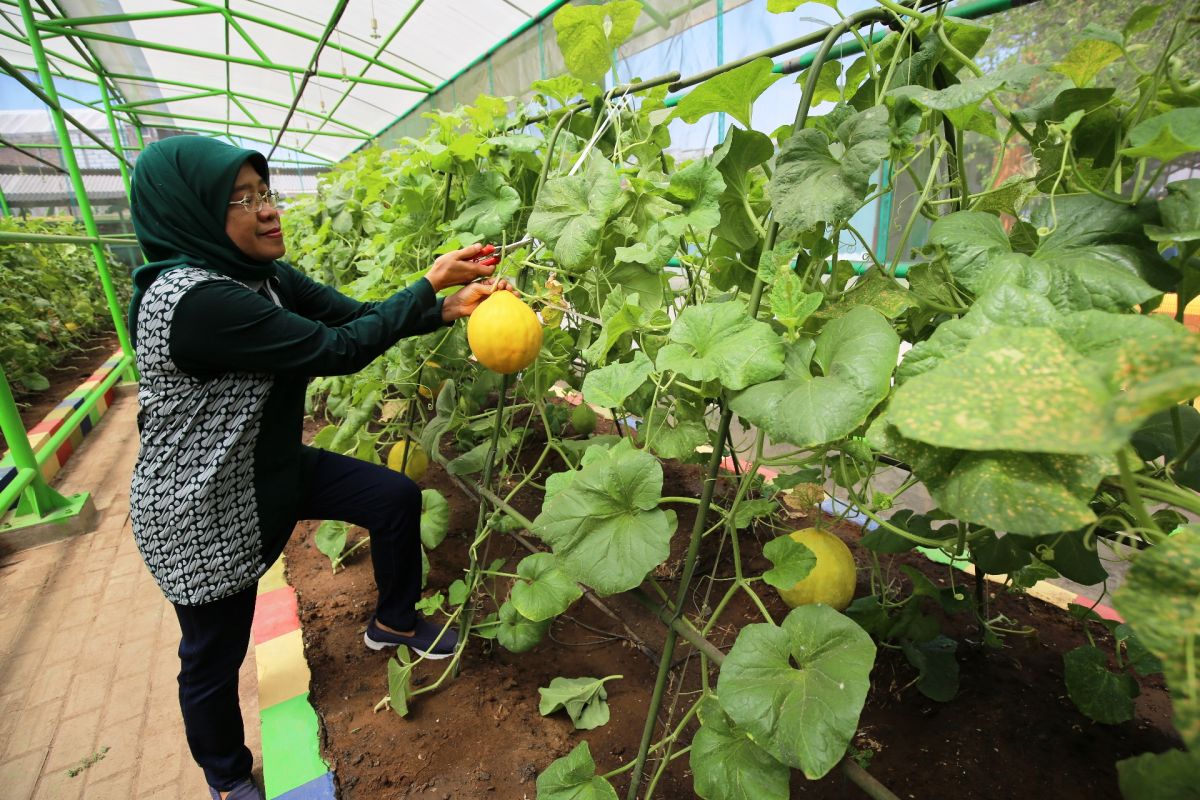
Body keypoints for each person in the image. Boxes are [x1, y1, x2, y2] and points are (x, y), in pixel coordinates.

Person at [126, 135, 507, 800]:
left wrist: (444, 306)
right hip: (201, 506)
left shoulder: (263, 277)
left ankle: (394, 619)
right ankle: (224, 776)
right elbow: (338, 348)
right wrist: (430, 281)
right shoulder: (193, 300)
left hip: (266, 468)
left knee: (392, 497)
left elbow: (355, 317)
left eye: (264, 191)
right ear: (189, 214)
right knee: (212, 659)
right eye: (239, 200)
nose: (266, 210)